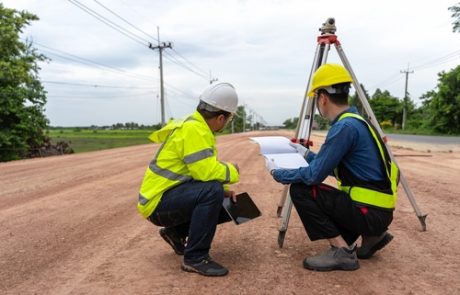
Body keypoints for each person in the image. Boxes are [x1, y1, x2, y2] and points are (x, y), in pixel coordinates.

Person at [267, 64, 398, 271]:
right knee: (317, 189)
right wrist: (305, 153)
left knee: (300, 190)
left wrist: (279, 173)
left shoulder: (343, 127)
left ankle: (342, 252)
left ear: (323, 98)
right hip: (378, 213)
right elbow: (330, 165)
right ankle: (372, 237)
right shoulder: (358, 122)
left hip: (368, 213)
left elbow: (313, 176)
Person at [137, 82, 240, 277]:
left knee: (223, 198)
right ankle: (195, 258)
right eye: (228, 119)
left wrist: (223, 189)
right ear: (220, 118)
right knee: (213, 191)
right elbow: (205, 172)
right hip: (157, 204)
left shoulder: (195, 126)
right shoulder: (195, 130)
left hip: (166, 198)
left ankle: (175, 233)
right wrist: (233, 171)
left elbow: (198, 172)